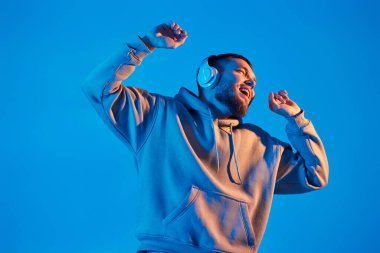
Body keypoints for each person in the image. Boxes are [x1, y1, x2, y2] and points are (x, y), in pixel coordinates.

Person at [81, 21, 329, 253]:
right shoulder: (159, 116)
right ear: (207, 76)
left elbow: (315, 174)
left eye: (253, 83)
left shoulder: (264, 147)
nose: (251, 84)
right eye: (242, 73)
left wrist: (296, 117)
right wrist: (145, 44)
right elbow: (98, 87)